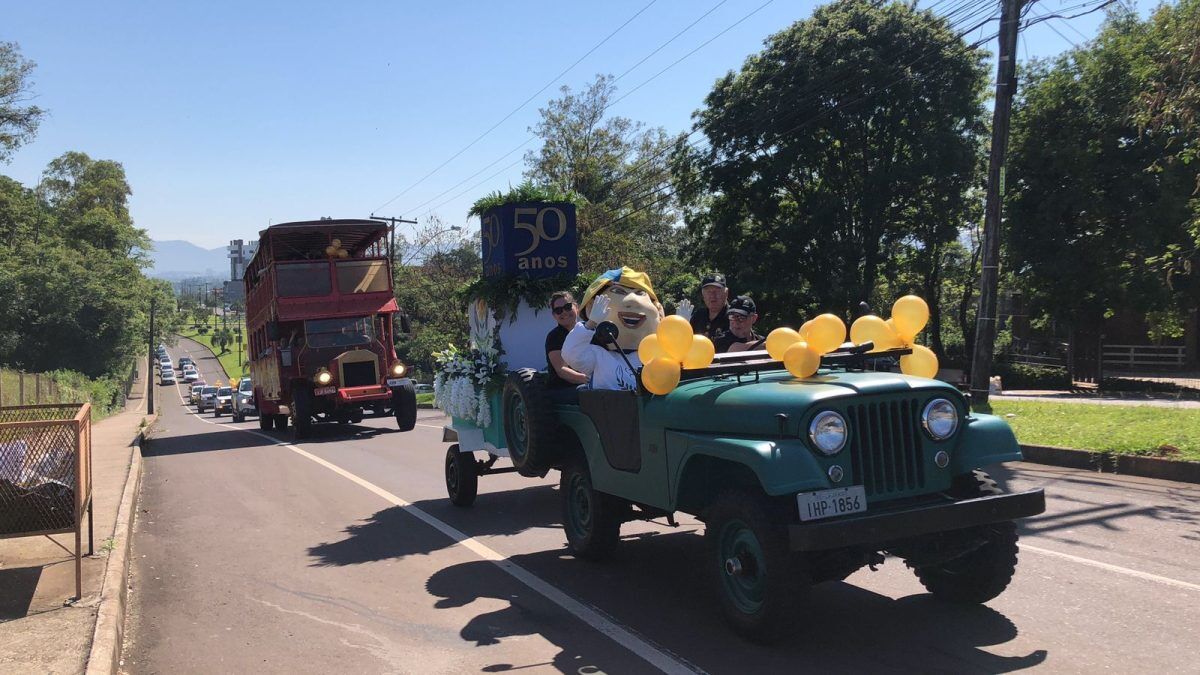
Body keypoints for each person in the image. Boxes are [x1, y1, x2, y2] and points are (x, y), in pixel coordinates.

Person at [562, 267, 665, 391]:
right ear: (591, 308)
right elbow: (572, 354)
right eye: (618, 291)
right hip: (608, 407)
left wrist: (680, 328)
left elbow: (676, 365)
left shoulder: (652, 353)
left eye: (640, 293)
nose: (633, 301)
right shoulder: (599, 355)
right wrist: (591, 323)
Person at [544, 291, 589, 388]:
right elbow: (561, 370)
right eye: (558, 310)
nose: (564, 312)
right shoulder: (554, 337)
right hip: (563, 389)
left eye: (568, 307)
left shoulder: (589, 331)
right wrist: (588, 380)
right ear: (554, 315)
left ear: (576, 307)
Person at [687, 273, 731, 346]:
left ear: (726, 293)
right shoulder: (698, 316)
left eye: (717, 291)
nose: (712, 296)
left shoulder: (733, 318)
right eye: (708, 292)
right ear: (703, 295)